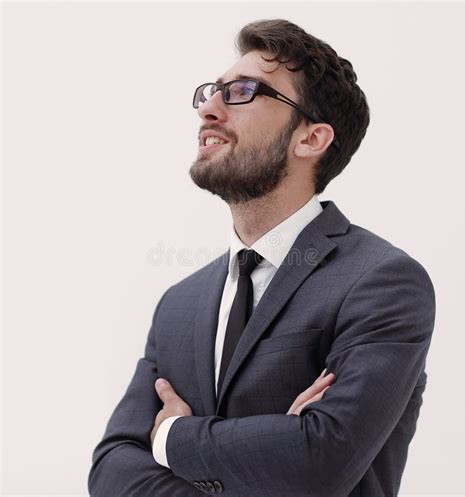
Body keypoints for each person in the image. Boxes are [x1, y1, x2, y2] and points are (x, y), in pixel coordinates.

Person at [88, 19, 436, 497]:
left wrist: (170, 437)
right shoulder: (179, 305)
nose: (209, 109)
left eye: (243, 92)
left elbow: (321, 461)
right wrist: (276, 447)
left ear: (310, 138)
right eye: (214, 91)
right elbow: (111, 470)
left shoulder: (381, 281)